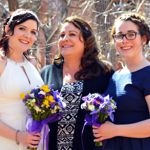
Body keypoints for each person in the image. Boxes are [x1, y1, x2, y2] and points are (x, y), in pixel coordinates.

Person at [40, 16, 113, 150]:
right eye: (62, 35)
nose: (64, 39)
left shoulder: (103, 73)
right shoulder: (47, 73)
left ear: (86, 41)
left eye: (72, 34)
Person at [93, 13, 150, 150]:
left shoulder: (148, 73)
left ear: (144, 38)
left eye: (131, 34)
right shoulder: (115, 76)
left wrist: (116, 130)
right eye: (119, 35)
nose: (124, 40)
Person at [0, 9, 44, 150]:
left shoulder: (31, 64)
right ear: (8, 29)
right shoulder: (1, 63)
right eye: (22, 28)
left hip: (33, 144)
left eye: (33, 32)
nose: (28, 35)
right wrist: (18, 136)